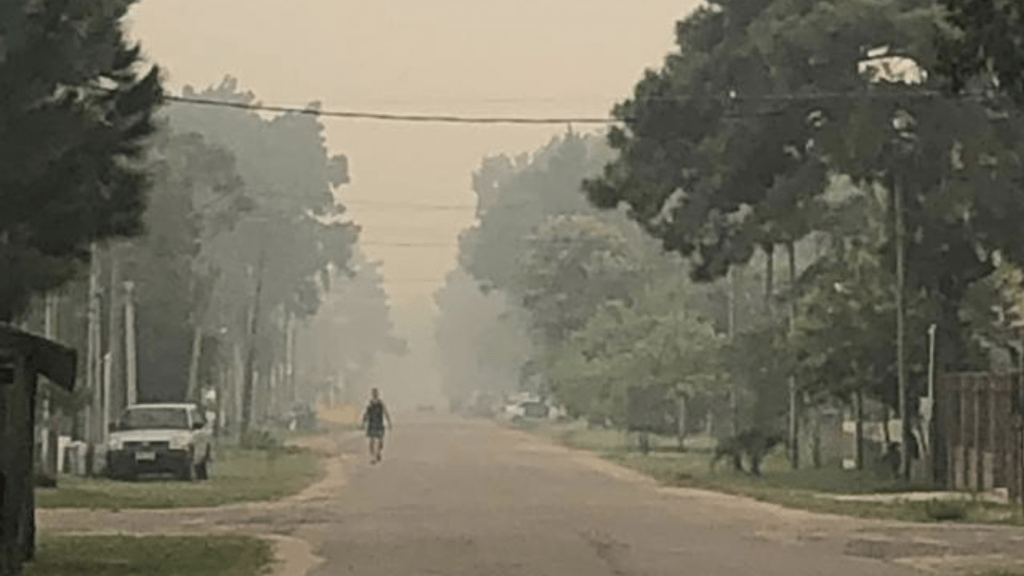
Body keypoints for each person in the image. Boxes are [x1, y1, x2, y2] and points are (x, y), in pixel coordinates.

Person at [362, 388, 392, 464]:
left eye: (376, 393)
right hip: (372, 424)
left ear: (378, 394)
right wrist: (363, 422)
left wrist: (389, 422)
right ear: (372, 394)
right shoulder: (370, 404)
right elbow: (366, 414)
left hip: (379, 424)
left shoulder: (380, 404)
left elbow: (386, 413)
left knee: (381, 441)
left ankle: (378, 452)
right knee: (371, 441)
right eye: (374, 393)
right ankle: (374, 455)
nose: (375, 394)